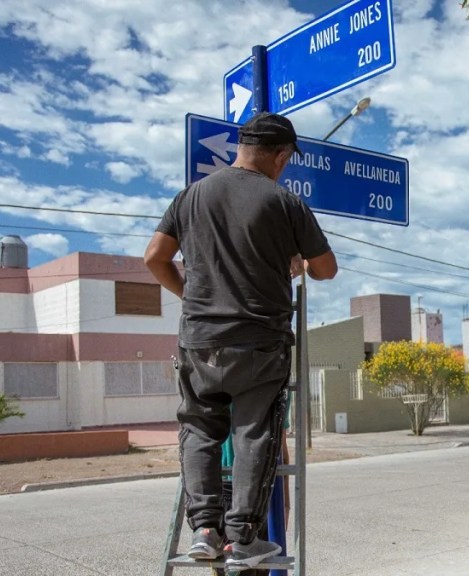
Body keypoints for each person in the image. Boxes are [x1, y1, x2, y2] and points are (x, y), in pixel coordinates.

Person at [144, 112, 337, 572]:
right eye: (287, 160)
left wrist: (192, 295)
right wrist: (299, 260)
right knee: (254, 433)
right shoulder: (284, 202)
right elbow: (326, 269)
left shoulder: (191, 197)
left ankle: (204, 532)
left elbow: (154, 258)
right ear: (281, 155)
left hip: (199, 340)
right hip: (260, 342)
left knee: (198, 429)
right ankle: (243, 539)